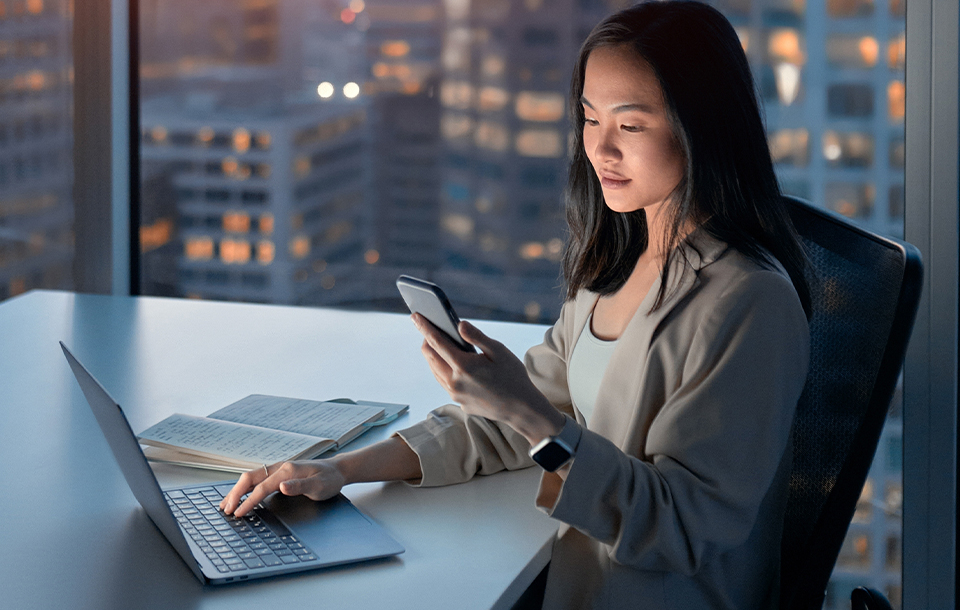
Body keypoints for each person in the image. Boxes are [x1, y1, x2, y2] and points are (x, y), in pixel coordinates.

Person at [221, 1, 811, 608]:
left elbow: (684, 528)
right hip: (580, 577)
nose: (599, 148)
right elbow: (508, 424)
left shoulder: (748, 303)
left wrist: (532, 416)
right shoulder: (619, 265)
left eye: (630, 126)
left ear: (703, 128)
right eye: (588, 119)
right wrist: (342, 471)